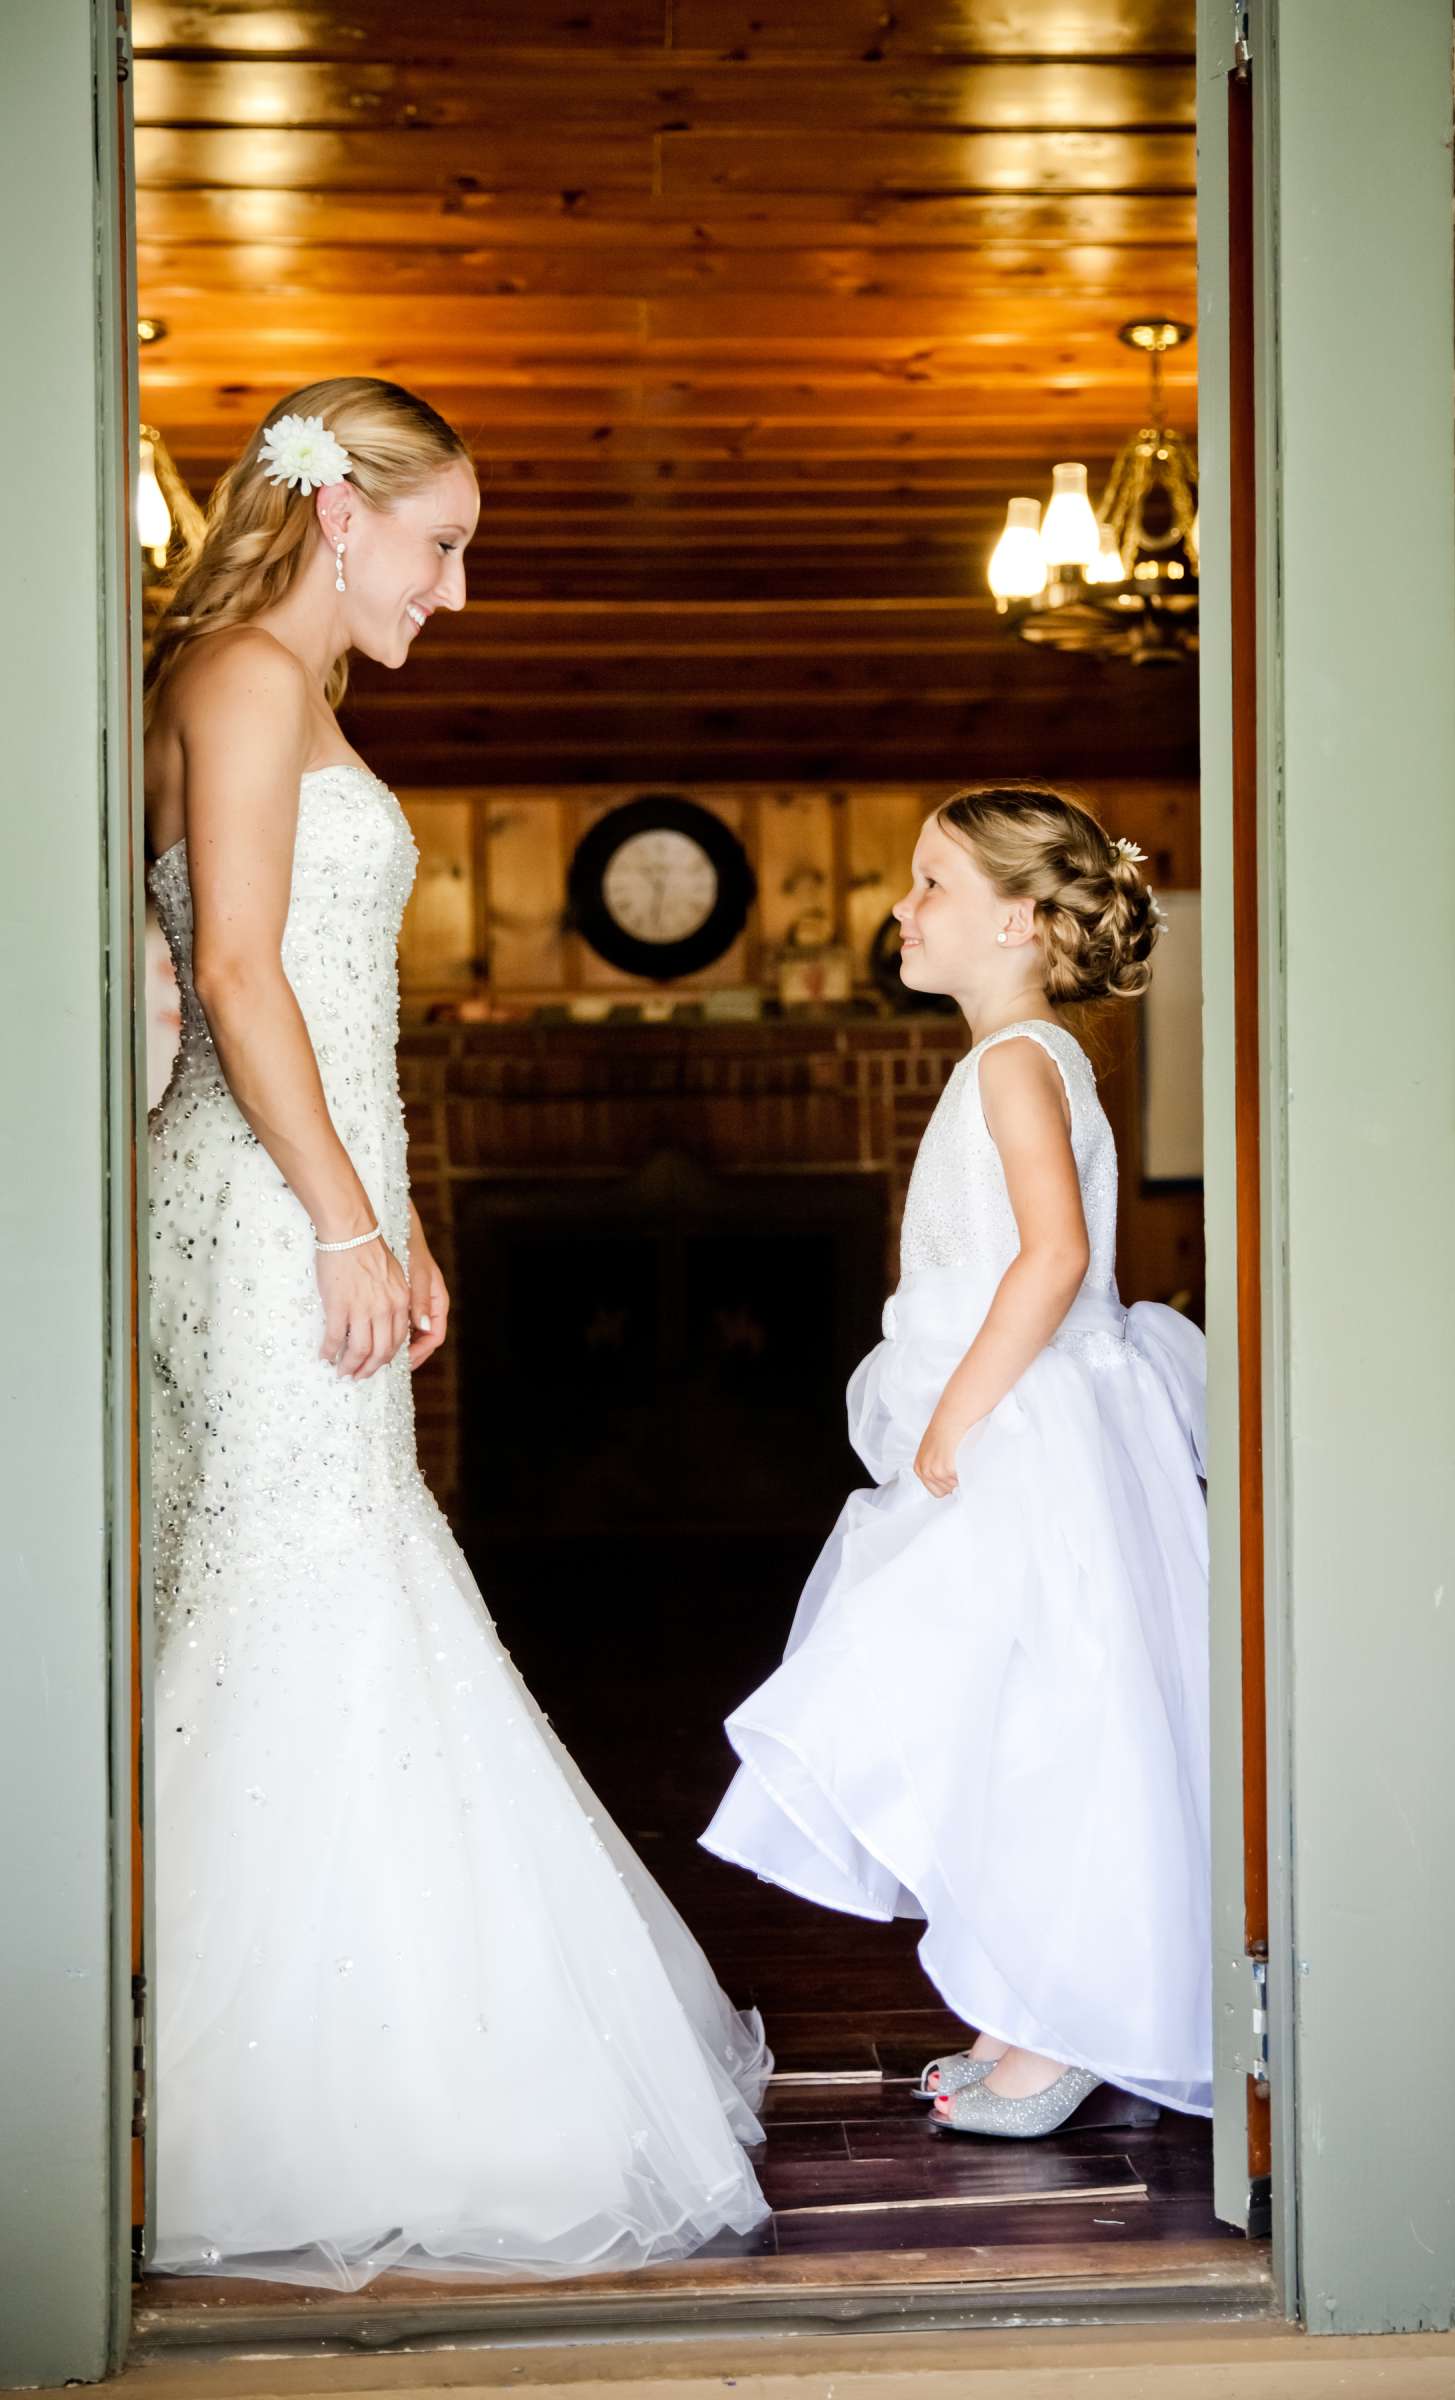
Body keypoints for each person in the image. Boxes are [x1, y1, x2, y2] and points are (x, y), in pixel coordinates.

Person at [143, 377, 770, 2289]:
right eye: (447, 545)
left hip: (306, 1195)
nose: (462, 590)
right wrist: (342, 1215)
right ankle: (292, 2098)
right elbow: (240, 968)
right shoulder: (246, 675)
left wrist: (392, 1208)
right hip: (263, 1216)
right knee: (304, 1591)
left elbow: (281, 986)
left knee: (332, 1587)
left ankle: (313, 2063)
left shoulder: (291, 693)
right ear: (345, 520)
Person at [702, 786, 1211, 2138]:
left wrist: (953, 1418)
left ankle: (1060, 2032)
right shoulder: (1027, 1057)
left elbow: (1051, 1257)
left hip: (1024, 1440)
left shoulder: (1014, 1065)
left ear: (1022, 920)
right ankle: (1022, 2014)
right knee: (1006, 1726)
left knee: (1047, 1731)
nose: (902, 908)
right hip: (1030, 1427)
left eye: (933, 884)